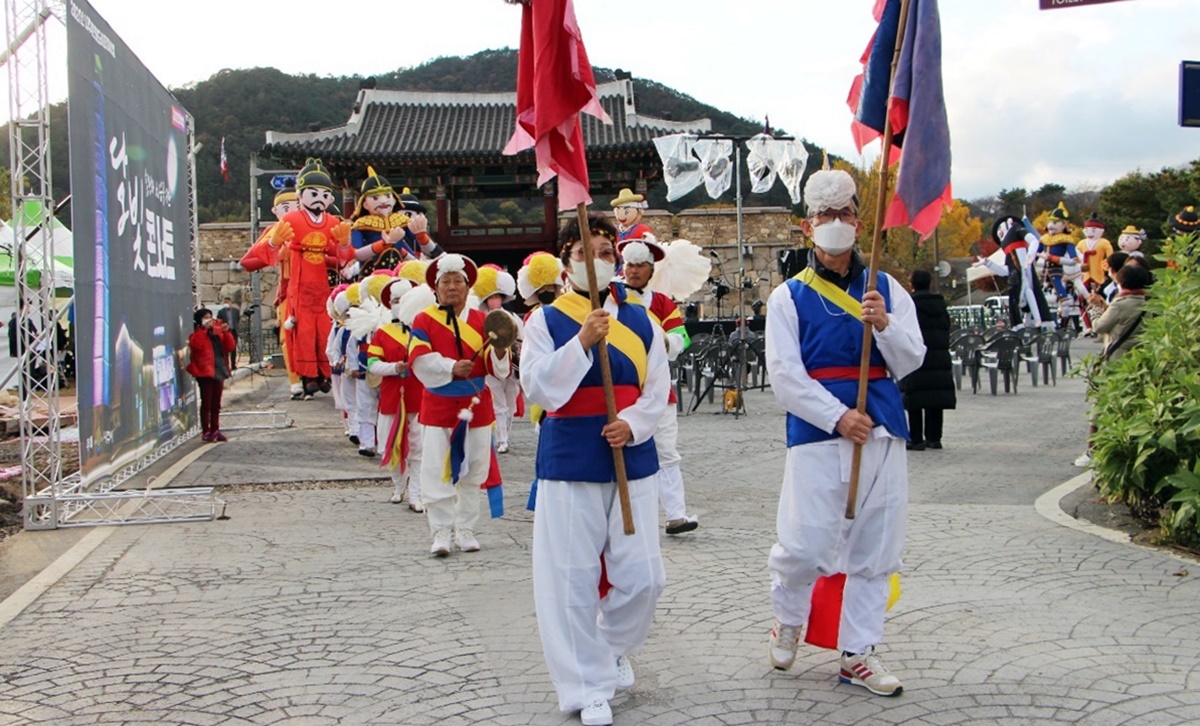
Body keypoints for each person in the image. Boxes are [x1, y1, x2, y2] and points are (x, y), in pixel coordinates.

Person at [764, 169, 925, 696]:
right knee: (806, 544)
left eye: (845, 214)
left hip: (880, 424)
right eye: (826, 216)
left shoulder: (887, 289)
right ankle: (789, 616)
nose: (837, 224)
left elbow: (912, 359)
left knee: (875, 545)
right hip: (817, 430)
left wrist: (885, 326)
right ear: (809, 226)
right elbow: (785, 375)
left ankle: (858, 652)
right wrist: (836, 415)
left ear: (860, 221)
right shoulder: (788, 297)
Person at [521, 215, 668, 726]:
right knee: (569, 578)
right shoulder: (545, 320)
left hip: (630, 452)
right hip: (570, 457)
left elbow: (658, 388)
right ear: (567, 261)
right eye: (585, 252)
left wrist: (632, 422)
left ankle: (608, 647)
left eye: (605, 249)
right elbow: (537, 388)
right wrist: (582, 341)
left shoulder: (642, 319)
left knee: (644, 576)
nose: (597, 258)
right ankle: (585, 686)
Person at [409, 254, 511, 556]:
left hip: (476, 403)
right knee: (435, 469)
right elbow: (420, 360)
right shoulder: (423, 320)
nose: (452, 287)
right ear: (436, 288)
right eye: (446, 282)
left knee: (475, 468)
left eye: (458, 282)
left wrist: (502, 351)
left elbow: (498, 368)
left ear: (468, 288)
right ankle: (440, 531)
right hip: (439, 403)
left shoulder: (482, 321)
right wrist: (450, 367)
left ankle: (465, 528)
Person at [618, 234, 699, 535]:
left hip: (659, 388)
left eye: (640, 265)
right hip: (623, 388)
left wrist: (664, 340)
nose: (634, 271)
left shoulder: (663, 303)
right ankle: (632, 514)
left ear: (651, 269)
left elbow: (683, 337)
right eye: (629, 265)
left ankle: (676, 514)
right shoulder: (613, 299)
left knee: (666, 451)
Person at [1074, 263, 1152, 468]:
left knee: (1101, 407)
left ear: (1122, 281)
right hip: (1140, 362)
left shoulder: (1120, 304)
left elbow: (1101, 327)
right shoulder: (1148, 303)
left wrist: (1096, 309)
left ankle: (1093, 451)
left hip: (1116, 362)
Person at [899, 270, 955, 451]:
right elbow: (947, 327)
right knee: (935, 396)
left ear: (912, 284)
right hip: (938, 356)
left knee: (914, 397)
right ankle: (934, 437)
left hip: (917, 355)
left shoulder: (909, 304)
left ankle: (916, 438)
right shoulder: (939, 305)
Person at [471, 264, 524, 454]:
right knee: (498, 403)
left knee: (509, 403)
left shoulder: (512, 317)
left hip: (511, 364)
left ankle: (505, 435)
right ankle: (502, 439)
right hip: (490, 364)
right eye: (491, 297)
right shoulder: (480, 318)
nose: (494, 301)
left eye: (497, 297)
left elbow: (522, 338)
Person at [186, 307, 236, 443]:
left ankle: (216, 429)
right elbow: (196, 345)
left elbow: (230, 347)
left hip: (218, 370)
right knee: (206, 403)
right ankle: (206, 431)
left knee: (216, 404)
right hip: (204, 373)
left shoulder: (217, 334)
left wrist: (226, 333)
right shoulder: (196, 334)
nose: (209, 320)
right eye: (206, 317)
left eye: (210, 317)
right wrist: (203, 330)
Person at [216, 297, 241, 369]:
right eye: (225, 302)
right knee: (225, 348)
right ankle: (226, 365)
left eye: (227, 302)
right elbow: (219, 320)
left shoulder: (236, 311)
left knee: (233, 348)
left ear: (230, 303)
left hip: (233, 331)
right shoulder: (221, 312)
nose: (226, 304)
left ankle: (233, 364)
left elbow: (237, 319)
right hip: (225, 332)